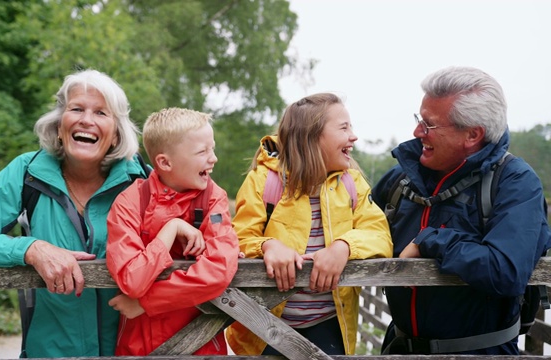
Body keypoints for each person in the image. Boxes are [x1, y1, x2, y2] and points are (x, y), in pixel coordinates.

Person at [0, 69, 148, 358]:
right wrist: (30, 248)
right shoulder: (25, 173)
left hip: (133, 351)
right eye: (76, 108)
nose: (86, 120)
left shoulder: (143, 183)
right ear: (59, 123)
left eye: (101, 113)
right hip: (48, 352)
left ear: (116, 134)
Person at [371, 66, 551, 355]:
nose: (417, 132)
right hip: (399, 348)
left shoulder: (515, 182)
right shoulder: (399, 179)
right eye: (419, 119)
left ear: (472, 135)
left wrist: (430, 240)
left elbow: (505, 270)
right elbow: (360, 225)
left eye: (428, 125)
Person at [225, 93, 393, 355]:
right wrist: (267, 245)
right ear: (312, 136)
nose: (353, 136)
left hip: (327, 324)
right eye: (344, 127)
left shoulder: (353, 183)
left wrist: (344, 246)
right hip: (263, 325)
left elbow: (380, 234)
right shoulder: (263, 181)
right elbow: (236, 239)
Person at [105, 107, 240, 356]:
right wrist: (170, 230)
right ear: (165, 162)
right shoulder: (130, 201)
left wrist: (146, 303)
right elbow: (132, 280)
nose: (213, 158)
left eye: (213, 148)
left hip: (202, 342)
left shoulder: (213, 198)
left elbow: (219, 270)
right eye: (202, 152)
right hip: (139, 346)